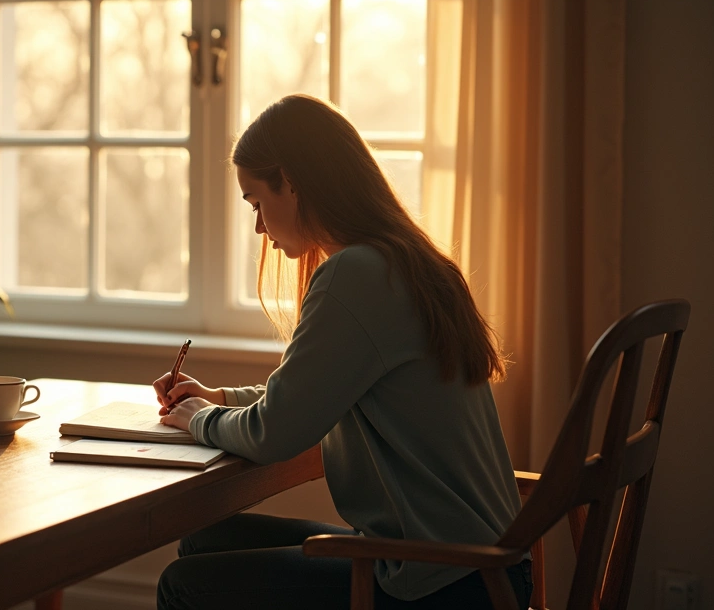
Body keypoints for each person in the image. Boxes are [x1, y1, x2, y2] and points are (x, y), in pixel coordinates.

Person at [153, 94, 531, 609]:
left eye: (257, 202)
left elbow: (277, 430)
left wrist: (201, 418)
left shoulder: (355, 274)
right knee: (203, 542)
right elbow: (310, 394)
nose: (260, 226)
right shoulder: (407, 261)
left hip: (440, 581)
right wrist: (218, 396)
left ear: (290, 180)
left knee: (185, 584)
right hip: (487, 565)